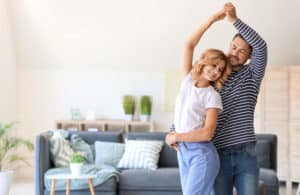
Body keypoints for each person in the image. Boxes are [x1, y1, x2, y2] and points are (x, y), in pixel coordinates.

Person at [165, 8, 231, 195]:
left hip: (202, 154)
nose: (216, 71)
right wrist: (211, 19)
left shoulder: (212, 96)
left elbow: (207, 133)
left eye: (220, 69)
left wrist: (175, 136)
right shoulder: (187, 80)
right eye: (214, 65)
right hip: (183, 152)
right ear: (204, 62)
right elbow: (188, 44)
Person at [212, 3, 268, 195]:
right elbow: (190, 102)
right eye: (233, 47)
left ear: (249, 57)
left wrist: (234, 20)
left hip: (246, 155)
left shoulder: (252, 75)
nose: (234, 53)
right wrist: (173, 131)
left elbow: (261, 45)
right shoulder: (214, 76)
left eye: (241, 51)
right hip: (218, 155)